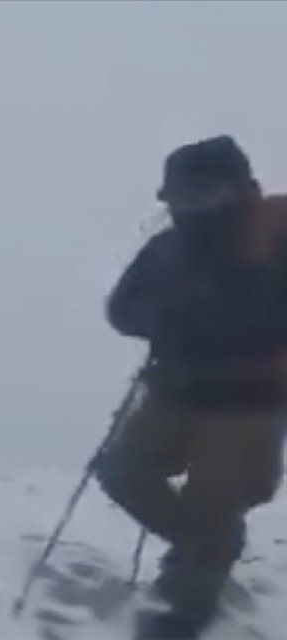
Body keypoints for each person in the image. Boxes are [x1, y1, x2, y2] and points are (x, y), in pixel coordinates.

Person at [96, 135, 286, 640]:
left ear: (241, 190)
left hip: (251, 398)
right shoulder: (168, 246)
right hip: (176, 388)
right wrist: (159, 316)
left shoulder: (277, 235)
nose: (188, 209)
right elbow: (121, 309)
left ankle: (187, 612)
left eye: (200, 196)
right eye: (179, 199)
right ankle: (210, 547)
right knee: (121, 472)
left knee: (215, 497)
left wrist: (215, 315)